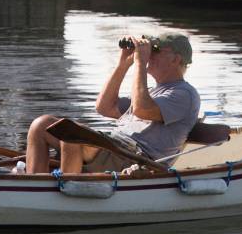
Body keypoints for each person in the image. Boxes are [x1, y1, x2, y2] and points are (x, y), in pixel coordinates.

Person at [25, 33, 200, 174]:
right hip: (114, 147)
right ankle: (33, 185)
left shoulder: (184, 94)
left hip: (134, 157)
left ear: (176, 60)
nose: (150, 55)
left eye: (156, 51)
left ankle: (66, 192)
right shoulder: (153, 93)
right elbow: (104, 107)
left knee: (71, 134)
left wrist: (139, 63)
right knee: (41, 125)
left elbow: (141, 109)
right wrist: (123, 65)